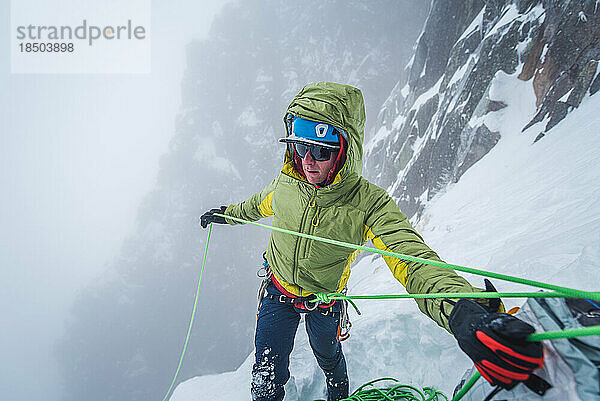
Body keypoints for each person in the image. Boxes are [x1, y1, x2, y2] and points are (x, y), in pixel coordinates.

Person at [200, 82, 543, 401]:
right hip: (278, 292)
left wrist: (461, 309)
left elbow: (410, 257)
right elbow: (256, 205)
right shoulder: (286, 184)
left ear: (344, 150)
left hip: (324, 301)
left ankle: (339, 396)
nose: (306, 160)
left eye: (319, 150)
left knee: (329, 359)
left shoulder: (368, 204)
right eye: (300, 146)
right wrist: (225, 214)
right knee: (265, 376)